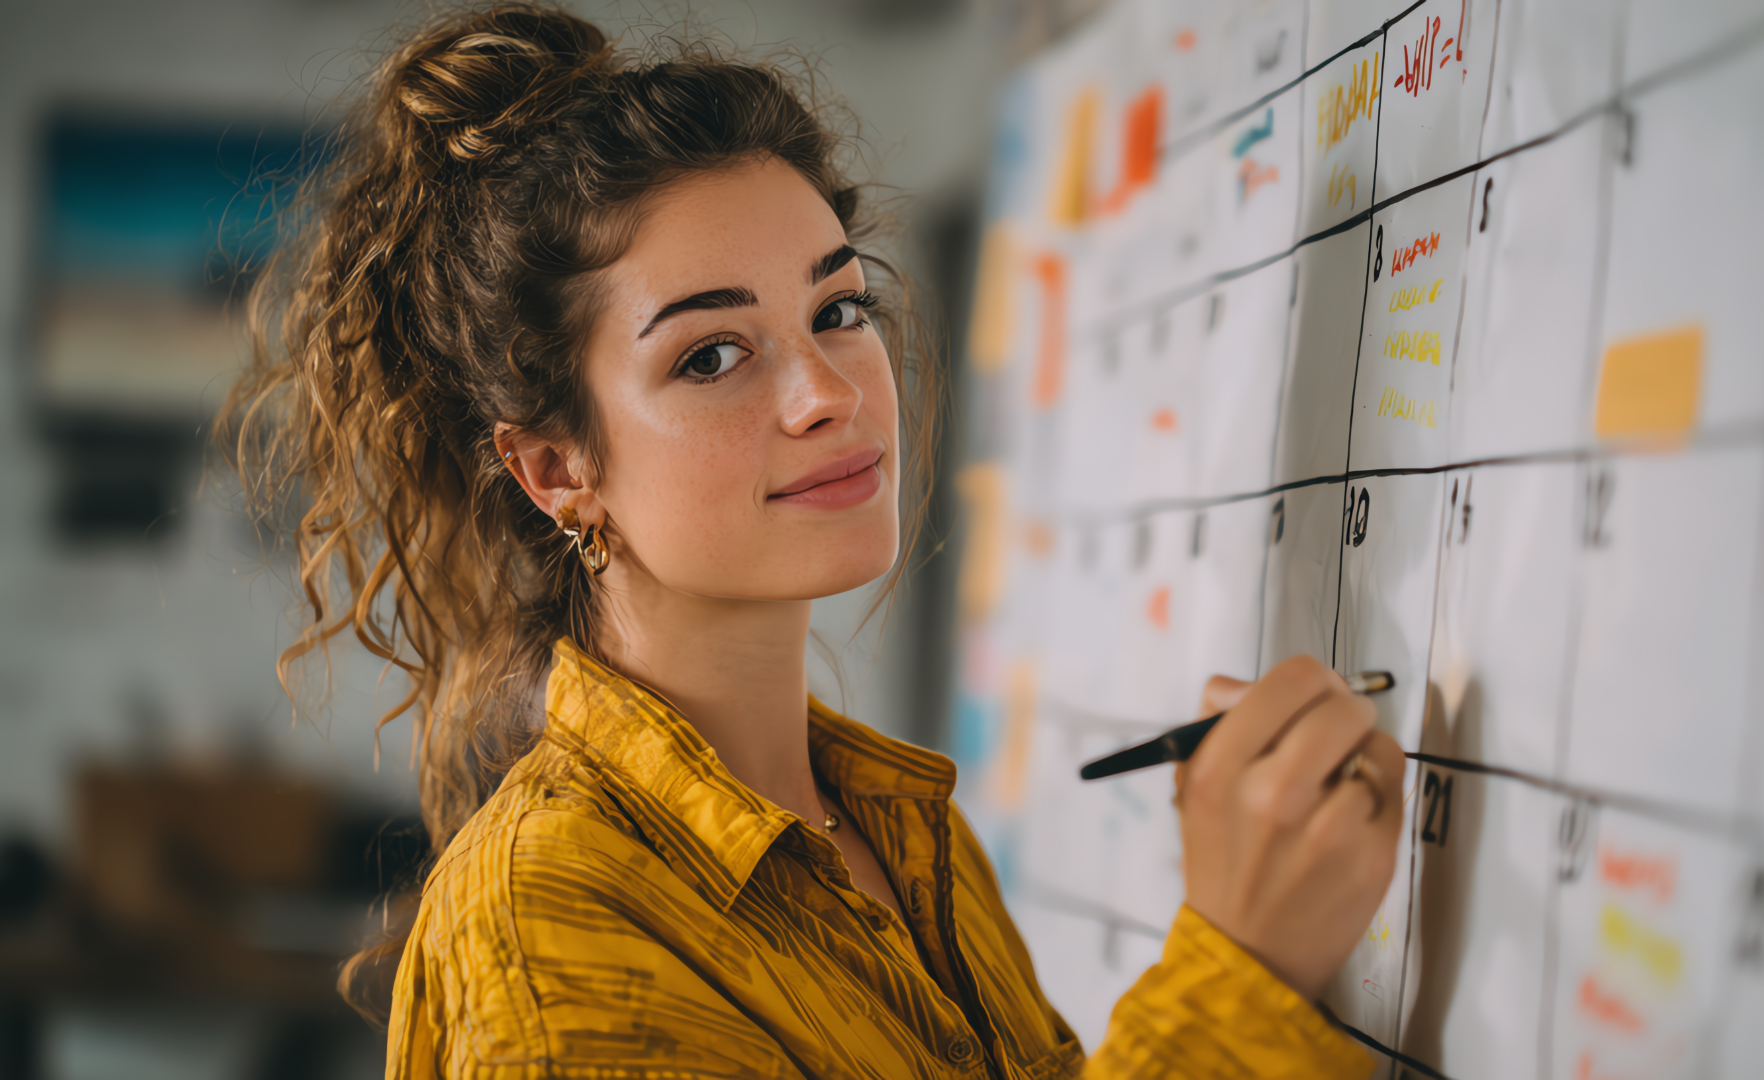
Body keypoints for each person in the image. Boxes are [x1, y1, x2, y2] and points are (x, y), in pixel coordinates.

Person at [221, 5, 1406, 1076]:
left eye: (838, 310)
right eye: (711, 355)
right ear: (557, 469)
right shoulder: (550, 923)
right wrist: (1237, 979)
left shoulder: (900, 831)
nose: (828, 390)